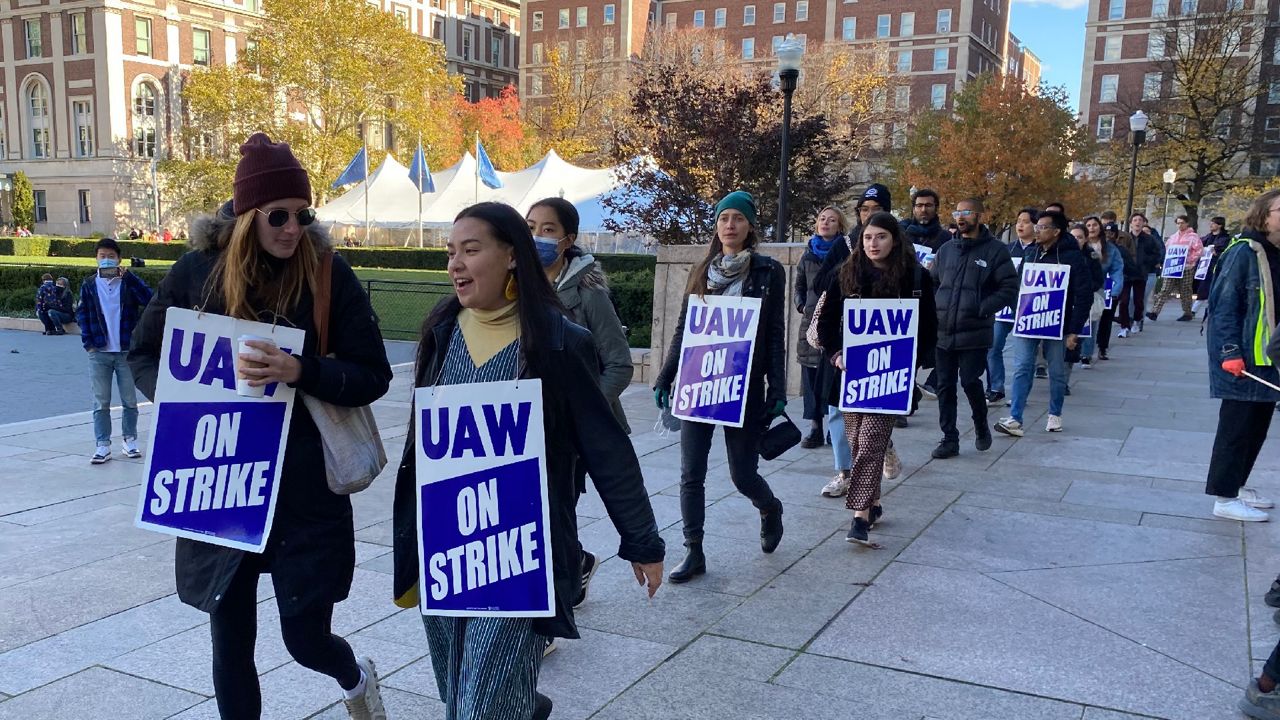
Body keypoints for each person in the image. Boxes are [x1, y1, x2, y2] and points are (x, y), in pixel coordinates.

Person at [131, 133, 395, 719]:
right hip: (220, 482)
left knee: (305, 639)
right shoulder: (197, 272)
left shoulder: (329, 275)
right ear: (248, 215)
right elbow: (144, 354)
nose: (292, 229)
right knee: (231, 643)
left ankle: (355, 678)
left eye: (304, 215)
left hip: (305, 494)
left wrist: (302, 370)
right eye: (279, 216)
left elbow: (374, 374)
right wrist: (185, 399)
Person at [393, 202, 664, 719]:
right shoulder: (441, 334)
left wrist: (642, 541)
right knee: (457, 694)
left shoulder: (559, 342)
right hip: (447, 550)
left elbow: (605, 447)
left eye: (471, 250)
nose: (455, 264)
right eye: (451, 252)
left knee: (483, 709)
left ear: (512, 257)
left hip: (520, 554)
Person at [654, 190, 786, 583]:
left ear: (750, 227)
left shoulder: (767, 272)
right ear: (716, 226)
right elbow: (683, 328)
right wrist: (665, 376)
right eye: (724, 218)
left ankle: (769, 507)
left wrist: (777, 389)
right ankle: (693, 550)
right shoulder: (702, 271)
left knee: (742, 475)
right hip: (699, 383)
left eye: (738, 219)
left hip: (742, 384)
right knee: (690, 473)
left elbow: (775, 331)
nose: (730, 225)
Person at [526, 196, 633, 611]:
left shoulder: (588, 293)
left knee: (556, 515)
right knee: (541, 517)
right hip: (530, 425)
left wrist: (582, 413)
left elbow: (620, 364)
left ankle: (556, 610)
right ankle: (577, 562)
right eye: (530, 226)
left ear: (568, 239)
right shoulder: (517, 286)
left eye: (548, 229)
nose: (537, 237)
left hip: (574, 432)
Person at [815, 212, 935, 546]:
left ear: (894, 239)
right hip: (852, 376)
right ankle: (875, 503)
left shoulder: (915, 278)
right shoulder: (846, 274)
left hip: (891, 378)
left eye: (880, 237)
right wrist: (836, 354)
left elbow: (927, 328)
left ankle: (859, 517)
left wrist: (913, 364)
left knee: (869, 443)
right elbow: (825, 323)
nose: (873, 244)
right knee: (857, 443)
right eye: (868, 238)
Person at [1202, 190, 1280, 523]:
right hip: (1242, 359)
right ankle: (1224, 496)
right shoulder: (1243, 252)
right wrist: (1230, 353)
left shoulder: (1273, 252)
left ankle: (1239, 483)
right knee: (1235, 429)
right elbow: (1224, 308)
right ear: (1264, 214)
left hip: (1267, 359)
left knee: (1257, 427)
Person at [929, 197, 1018, 458]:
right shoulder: (946, 249)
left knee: (969, 381)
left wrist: (982, 307)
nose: (960, 217)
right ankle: (949, 438)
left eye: (966, 212)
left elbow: (1009, 287)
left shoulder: (995, 251)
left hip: (975, 331)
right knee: (944, 385)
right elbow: (933, 282)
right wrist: (935, 307)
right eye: (957, 212)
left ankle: (981, 426)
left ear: (980, 216)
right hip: (943, 331)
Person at [994, 210, 1093, 437]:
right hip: (1029, 320)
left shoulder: (1072, 257)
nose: (1037, 230)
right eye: (1036, 226)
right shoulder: (1032, 253)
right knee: (1022, 367)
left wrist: (1074, 330)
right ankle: (1015, 418)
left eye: (1042, 227)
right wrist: (1015, 309)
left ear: (1056, 231)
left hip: (1058, 324)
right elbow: (1016, 283)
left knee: (1057, 371)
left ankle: (1055, 413)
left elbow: (1084, 294)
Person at [77, 238, 152, 464]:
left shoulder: (127, 283)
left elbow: (149, 299)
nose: (106, 259)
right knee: (101, 401)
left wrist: (128, 276)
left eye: (111, 255)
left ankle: (130, 440)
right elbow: (82, 314)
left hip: (126, 351)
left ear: (118, 258)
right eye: (102, 256)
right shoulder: (89, 285)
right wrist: (88, 343)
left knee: (130, 400)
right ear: (96, 259)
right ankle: (102, 444)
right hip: (99, 351)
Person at [795, 206, 848, 448]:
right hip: (810, 322)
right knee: (810, 374)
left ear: (840, 225)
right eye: (822, 219)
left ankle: (834, 426)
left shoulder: (845, 253)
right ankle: (815, 425)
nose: (826, 223)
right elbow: (799, 286)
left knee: (832, 374)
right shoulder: (807, 255)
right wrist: (801, 304)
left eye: (832, 220)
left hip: (834, 322)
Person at [986, 208, 1037, 405]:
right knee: (993, 346)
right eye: (1018, 221)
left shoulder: (1039, 250)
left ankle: (1021, 392)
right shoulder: (1007, 249)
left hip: (1028, 307)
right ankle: (996, 387)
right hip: (1003, 308)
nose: (1020, 225)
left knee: (1024, 356)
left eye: (1026, 221)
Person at [1079, 217, 1123, 366]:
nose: (1091, 228)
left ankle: (1086, 354)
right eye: (1088, 225)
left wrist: (1116, 288)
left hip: (1098, 288)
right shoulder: (1078, 245)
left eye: (1094, 225)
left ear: (1100, 228)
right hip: (1077, 287)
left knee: (1092, 321)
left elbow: (1117, 269)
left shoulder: (1110, 248)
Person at [1148, 214, 1203, 322]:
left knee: (1185, 291)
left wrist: (1189, 259)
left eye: (1182, 223)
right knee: (1165, 289)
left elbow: (1199, 251)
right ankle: (1154, 312)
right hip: (1172, 267)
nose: (1180, 225)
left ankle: (1187, 313)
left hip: (1187, 267)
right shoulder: (1173, 237)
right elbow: (1167, 250)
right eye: (1178, 223)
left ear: (1187, 223)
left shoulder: (1193, 237)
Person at [1130, 213, 1165, 329]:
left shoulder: (1151, 240)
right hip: (1131, 273)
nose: (1137, 222)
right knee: (1130, 297)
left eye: (1140, 220)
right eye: (1135, 220)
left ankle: (1139, 320)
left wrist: (1146, 262)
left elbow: (1158, 254)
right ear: (1131, 223)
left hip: (1148, 272)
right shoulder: (1127, 238)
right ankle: (1130, 319)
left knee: (1141, 297)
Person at [1110, 223, 1143, 339]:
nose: (1108, 235)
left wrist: (1134, 276)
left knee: (1125, 301)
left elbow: (1130, 264)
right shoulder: (1097, 247)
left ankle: (1125, 326)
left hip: (1123, 279)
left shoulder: (1121, 250)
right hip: (1104, 281)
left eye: (1111, 233)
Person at [1196, 215, 1231, 314]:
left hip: (1215, 267)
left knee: (1213, 288)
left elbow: (1225, 252)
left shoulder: (1225, 239)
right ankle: (1194, 310)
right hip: (1204, 266)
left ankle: (1206, 309)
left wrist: (1216, 253)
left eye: (1213, 223)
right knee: (1202, 288)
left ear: (1220, 225)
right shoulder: (1207, 237)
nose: (1211, 225)